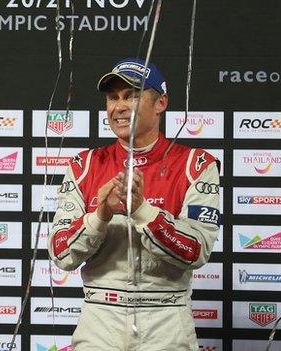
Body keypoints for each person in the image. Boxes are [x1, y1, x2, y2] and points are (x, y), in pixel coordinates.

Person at [48, 58, 220, 350]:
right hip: (100, 318)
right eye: (113, 98)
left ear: (161, 102)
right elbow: (61, 253)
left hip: (165, 319)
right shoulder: (83, 164)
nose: (119, 106)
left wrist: (142, 210)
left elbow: (195, 251)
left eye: (132, 96)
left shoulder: (196, 163)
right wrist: (100, 215)